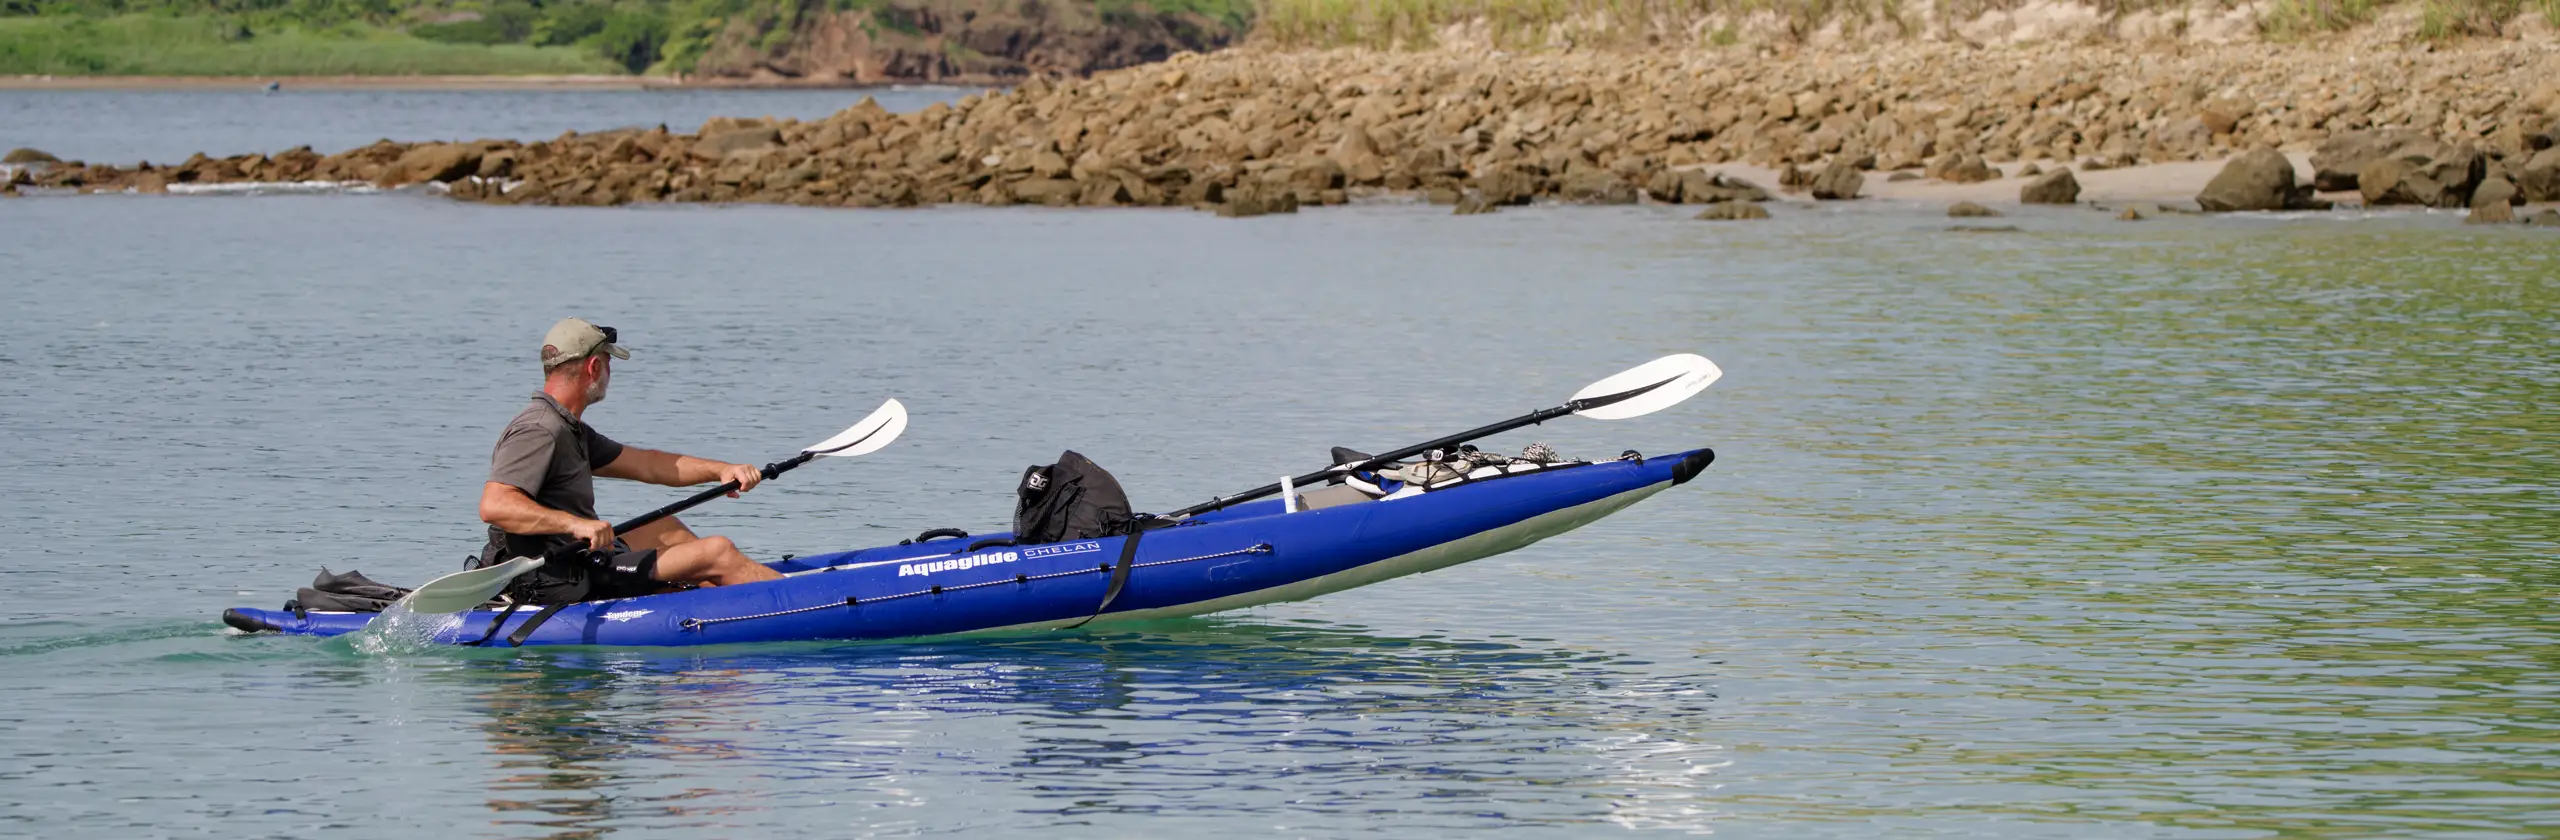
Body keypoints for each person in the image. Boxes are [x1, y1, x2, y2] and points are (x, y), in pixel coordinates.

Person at [477, 318, 784, 605]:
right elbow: (496, 505)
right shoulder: (539, 429)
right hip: (556, 578)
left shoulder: (570, 429)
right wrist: (575, 524)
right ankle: (799, 602)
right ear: (594, 367)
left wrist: (722, 470)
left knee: (663, 529)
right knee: (719, 551)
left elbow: (650, 465)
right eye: (609, 362)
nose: (611, 373)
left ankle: (718, 598)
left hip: (573, 560)